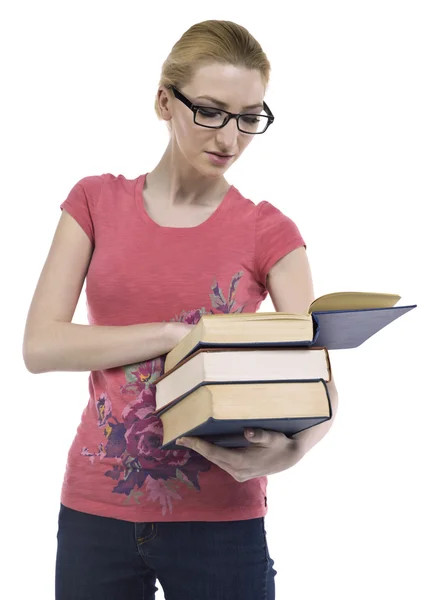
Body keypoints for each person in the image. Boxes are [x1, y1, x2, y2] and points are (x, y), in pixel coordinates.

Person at [23, 19, 338, 600]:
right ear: (164, 101)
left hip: (222, 516)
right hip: (98, 509)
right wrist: (175, 334)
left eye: (249, 118)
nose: (230, 138)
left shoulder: (270, 231)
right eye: (212, 111)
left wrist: (292, 451)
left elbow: (319, 385)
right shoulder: (95, 201)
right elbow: (41, 346)